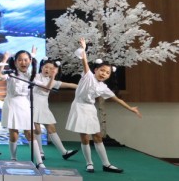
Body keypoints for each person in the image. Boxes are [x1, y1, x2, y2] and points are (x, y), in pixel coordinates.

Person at [65, 38, 141, 173]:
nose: (104, 74)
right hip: (79, 107)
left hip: (90, 109)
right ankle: (89, 163)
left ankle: (106, 164)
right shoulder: (88, 76)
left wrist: (130, 108)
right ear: (95, 70)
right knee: (85, 137)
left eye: (107, 73)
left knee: (98, 136)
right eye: (102, 70)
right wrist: (84, 48)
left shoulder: (103, 87)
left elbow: (116, 99)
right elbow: (84, 61)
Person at [3, 50, 45, 168]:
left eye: (26, 60)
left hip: (25, 104)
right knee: (13, 133)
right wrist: (4, 60)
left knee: (30, 133)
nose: (23, 62)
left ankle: (39, 162)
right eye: (20, 60)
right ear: (15, 62)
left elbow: (44, 86)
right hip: (12, 103)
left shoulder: (31, 75)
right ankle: (13, 158)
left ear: (30, 61)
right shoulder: (11, 73)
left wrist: (52, 78)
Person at [32, 58, 78, 161]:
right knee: (37, 130)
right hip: (33, 105)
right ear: (41, 67)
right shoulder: (36, 76)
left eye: (51, 68)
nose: (48, 70)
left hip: (44, 107)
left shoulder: (52, 81)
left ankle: (64, 152)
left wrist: (82, 87)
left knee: (51, 128)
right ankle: (40, 152)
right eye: (46, 67)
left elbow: (69, 85)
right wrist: (53, 77)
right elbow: (45, 88)